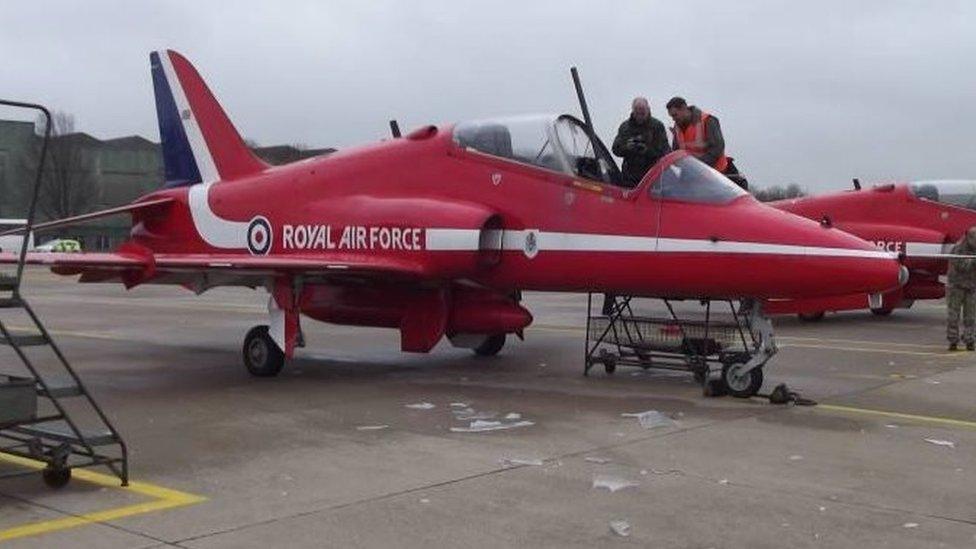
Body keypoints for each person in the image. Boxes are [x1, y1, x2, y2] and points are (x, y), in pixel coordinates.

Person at [666, 97, 748, 189]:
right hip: (695, 177)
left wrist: (696, 167)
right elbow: (677, 153)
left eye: (675, 115)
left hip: (717, 175)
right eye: (672, 116)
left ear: (684, 108)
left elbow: (717, 149)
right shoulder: (677, 128)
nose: (673, 119)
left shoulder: (708, 121)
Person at [611, 97, 671, 187]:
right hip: (629, 177)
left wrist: (647, 150)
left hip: (652, 177)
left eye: (642, 112)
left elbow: (665, 151)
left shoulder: (657, 126)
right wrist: (627, 147)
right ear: (633, 111)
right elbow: (616, 149)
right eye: (637, 112)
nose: (640, 115)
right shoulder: (625, 127)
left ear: (648, 109)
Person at [946, 226, 976, 351]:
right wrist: (973, 262)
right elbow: (960, 266)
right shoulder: (958, 249)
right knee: (953, 315)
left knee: (971, 316)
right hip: (956, 287)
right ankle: (953, 340)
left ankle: (970, 340)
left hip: (971, 287)